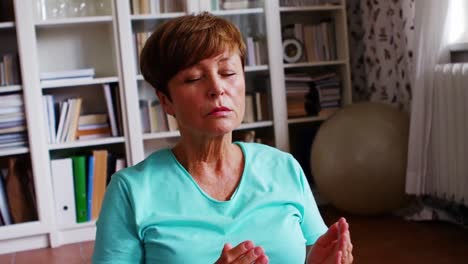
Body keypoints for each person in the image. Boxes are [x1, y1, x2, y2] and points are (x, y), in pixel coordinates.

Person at [92, 12, 353, 264]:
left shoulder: (283, 167)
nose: (217, 88)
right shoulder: (131, 191)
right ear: (166, 101)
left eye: (228, 73)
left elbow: (311, 251)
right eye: (194, 77)